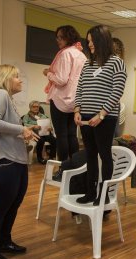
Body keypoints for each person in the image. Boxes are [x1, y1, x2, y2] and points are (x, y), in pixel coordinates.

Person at [0, 64, 38, 259]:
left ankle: (4, 242)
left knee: (12, 205)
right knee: (0, 207)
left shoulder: (8, 99)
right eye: (16, 76)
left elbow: (6, 128)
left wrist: (23, 131)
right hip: (2, 161)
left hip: (15, 160)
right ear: (5, 79)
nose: (20, 80)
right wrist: (21, 129)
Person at [74, 25, 127, 205]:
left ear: (101, 41)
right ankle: (90, 192)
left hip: (104, 118)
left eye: (91, 41)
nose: (89, 45)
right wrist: (77, 110)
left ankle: (103, 195)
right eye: (87, 42)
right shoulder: (88, 64)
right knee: (90, 155)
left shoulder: (116, 62)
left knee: (104, 155)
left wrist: (102, 114)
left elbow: (117, 90)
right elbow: (80, 87)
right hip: (86, 117)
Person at [43, 25, 87, 161]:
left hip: (60, 100)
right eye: (57, 37)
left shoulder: (65, 54)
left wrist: (48, 73)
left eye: (61, 37)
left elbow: (61, 80)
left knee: (61, 135)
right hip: (75, 101)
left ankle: (63, 168)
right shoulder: (81, 54)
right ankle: (74, 167)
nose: (58, 40)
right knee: (72, 135)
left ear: (69, 37)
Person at [22, 100, 57, 164]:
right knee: (41, 140)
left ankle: (51, 157)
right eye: (34, 107)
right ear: (30, 107)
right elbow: (24, 125)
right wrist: (33, 126)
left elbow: (49, 124)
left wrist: (50, 128)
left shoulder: (43, 116)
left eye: (37, 107)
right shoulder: (26, 116)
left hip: (44, 133)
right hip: (33, 134)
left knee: (54, 140)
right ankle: (40, 158)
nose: (36, 108)